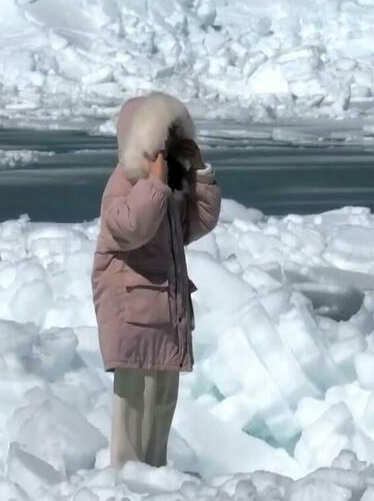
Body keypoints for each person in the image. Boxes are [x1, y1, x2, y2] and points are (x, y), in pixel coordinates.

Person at [91, 92, 222, 468]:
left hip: (162, 309)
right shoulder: (123, 185)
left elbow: (192, 225)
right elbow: (131, 227)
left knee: (163, 394)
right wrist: (154, 184)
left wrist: (198, 173)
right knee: (133, 397)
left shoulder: (166, 187)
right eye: (162, 144)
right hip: (132, 309)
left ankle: (154, 472)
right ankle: (126, 476)